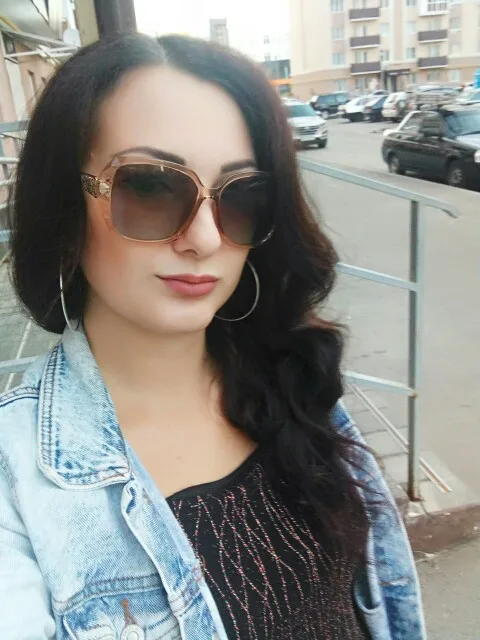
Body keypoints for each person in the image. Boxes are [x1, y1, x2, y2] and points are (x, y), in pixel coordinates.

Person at [0, 33, 426, 639]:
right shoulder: (14, 479)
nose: (203, 239)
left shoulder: (292, 380)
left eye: (243, 195)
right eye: (150, 186)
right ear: (67, 201)